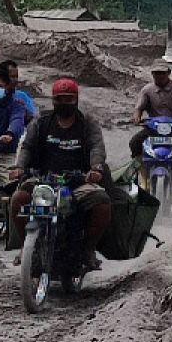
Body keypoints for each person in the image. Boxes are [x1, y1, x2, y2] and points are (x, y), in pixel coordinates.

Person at [9, 78, 112, 270]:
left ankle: (88, 250)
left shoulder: (87, 123)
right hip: (43, 179)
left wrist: (96, 169)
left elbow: (97, 147)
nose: (63, 103)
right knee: (17, 199)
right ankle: (25, 247)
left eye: (68, 99)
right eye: (59, 99)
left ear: (76, 100)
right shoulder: (41, 122)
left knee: (102, 202)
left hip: (78, 181)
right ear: (53, 100)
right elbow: (27, 147)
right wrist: (19, 167)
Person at [130, 60, 172, 193]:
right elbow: (138, 108)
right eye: (156, 73)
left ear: (168, 73)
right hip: (154, 128)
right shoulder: (147, 90)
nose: (159, 76)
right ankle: (143, 176)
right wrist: (136, 118)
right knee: (134, 143)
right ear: (152, 74)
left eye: (162, 73)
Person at [0, 60, 36, 124]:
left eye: (17, 76)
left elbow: (33, 121)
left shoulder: (23, 97)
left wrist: (23, 111)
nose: (16, 80)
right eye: (12, 76)